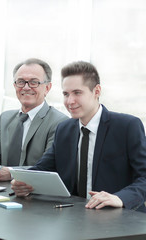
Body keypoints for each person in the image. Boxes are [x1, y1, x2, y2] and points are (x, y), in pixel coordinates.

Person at [11, 61, 146, 212]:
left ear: (96, 91)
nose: (70, 101)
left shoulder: (127, 126)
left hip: (120, 218)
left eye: (77, 93)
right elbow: (43, 169)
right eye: (66, 94)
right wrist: (24, 182)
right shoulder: (64, 129)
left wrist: (120, 198)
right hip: (75, 215)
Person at [0, 58, 68, 181]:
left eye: (34, 82)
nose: (26, 87)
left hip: (35, 193)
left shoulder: (60, 122)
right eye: (21, 82)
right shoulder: (5, 118)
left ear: (47, 87)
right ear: (14, 85)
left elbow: (49, 167)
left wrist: (12, 173)